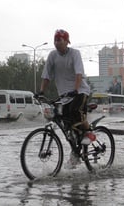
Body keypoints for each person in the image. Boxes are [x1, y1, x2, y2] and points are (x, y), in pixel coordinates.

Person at [38, 29, 92, 167]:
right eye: (55, 40)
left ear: (67, 41)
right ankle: (75, 153)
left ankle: (89, 133)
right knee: (67, 124)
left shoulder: (75, 54)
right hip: (64, 96)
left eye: (60, 40)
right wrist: (41, 92)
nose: (57, 43)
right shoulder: (52, 55)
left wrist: (75, 89)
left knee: (76, 113)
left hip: (79, 91)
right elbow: (46, 75)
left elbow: (79, 73)